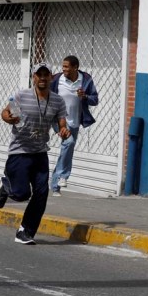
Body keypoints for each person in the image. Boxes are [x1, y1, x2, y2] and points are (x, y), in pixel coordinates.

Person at [0, 62, 69, 244]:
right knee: (21, 194)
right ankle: (6, 185)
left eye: (46, 75)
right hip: (19, 151)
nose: (42, 78)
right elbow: (5, 112)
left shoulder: (58, 101)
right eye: (39, 75)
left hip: (40, 152)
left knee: (42, 193)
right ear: (33, 77)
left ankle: (25, 232)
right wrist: (9, 118)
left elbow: (62, 122)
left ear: (51, 77)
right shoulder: (22, 95)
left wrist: (64, 130)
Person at [49, 55, 99, 196]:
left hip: (75, 121)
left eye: (66, 66)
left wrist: (85, 97)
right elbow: (47, 95)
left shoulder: (86, 80)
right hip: (59, 120)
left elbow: (95, 100)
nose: (63, 69)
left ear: (75, 67)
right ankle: (63, 176)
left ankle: (55, 186)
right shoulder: (57, 79)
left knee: (66, 150)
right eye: (63, 66)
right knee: (68, 143)